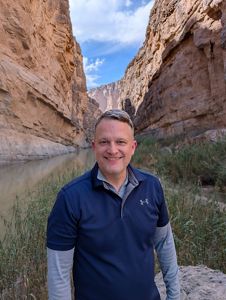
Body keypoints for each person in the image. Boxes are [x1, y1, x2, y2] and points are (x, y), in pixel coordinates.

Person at [47, 109, 180, 300]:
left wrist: (174, 296)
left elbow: (164, 243)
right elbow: (59, 276)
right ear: (94, 146)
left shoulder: (152, 186)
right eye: (104, 142)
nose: (112, 149)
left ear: (133, 147)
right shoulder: (70, 198)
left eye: (120, 142)